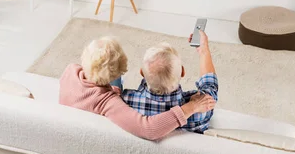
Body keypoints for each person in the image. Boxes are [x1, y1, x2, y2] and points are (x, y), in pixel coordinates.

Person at [59, 36, 216, 141]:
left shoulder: (70, 71)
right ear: (182, 71)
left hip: (73, 124)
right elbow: (149, 128)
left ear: (142, 73)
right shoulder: (113, 102)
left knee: (106, 59)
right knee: (111, 60)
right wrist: (192, 106)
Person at [120, 30, 218, 133]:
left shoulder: (126, 100)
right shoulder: (201, 109)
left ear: (142, 72)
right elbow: (210, 86)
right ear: (183, 72)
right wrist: (204, 50)